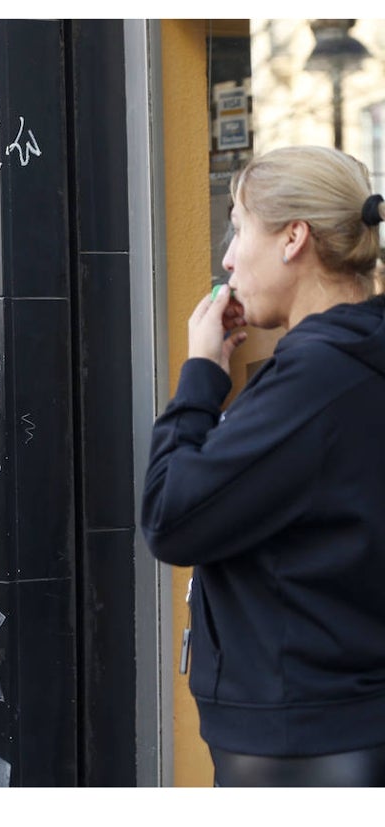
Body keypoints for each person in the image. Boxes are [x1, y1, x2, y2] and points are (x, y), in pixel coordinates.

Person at [141, 145, 385, 786]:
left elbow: (170, 516)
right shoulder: (355, 362)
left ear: (293, 239)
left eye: (239, 225)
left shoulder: (316, 380)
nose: (226, 256)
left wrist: (199, 376)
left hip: (300, 740)